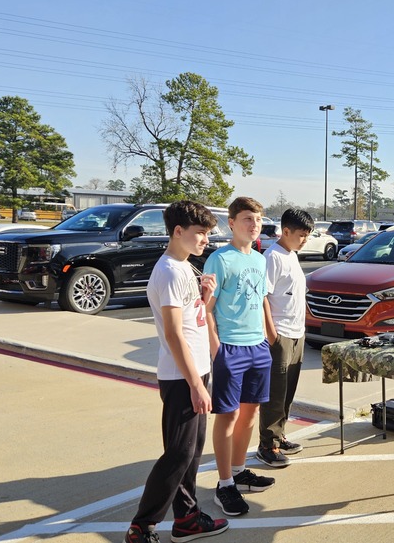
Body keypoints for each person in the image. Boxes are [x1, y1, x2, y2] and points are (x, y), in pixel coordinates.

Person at [124, 200, 228, 543]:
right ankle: (143, 526)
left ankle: (186, 519)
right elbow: (173, 333)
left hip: (196, 372)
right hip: (181, 377)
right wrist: (196, 384)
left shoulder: (186, 267)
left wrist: (207, 297)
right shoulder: (168, 270)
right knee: (178, 454)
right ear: (178, 232)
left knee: (191, 452)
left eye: (208, 234)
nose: (206, 241)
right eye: (200, 234)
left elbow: (194, 320)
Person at [204, 197, 276, 517]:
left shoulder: (260, 259)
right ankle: (224, 485)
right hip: (230, 347)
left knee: (250, 413)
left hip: (258, 346)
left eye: (258, 218)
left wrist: (270, 334)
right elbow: (205, 308)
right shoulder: (220, 259)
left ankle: (238, 471)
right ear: (231, 223)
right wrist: (216, 348)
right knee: (228, 416)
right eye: (248, 218)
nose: (254, 224)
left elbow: (260, 300)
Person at [256, 208, 314, 467]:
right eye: (301, 235)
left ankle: (279, 436)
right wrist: (272, 334)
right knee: (275, 394)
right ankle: (267, 445)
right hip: (279, 335)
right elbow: (263, 297)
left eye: (308, 235)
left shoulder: (291, 255)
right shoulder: (273, 257)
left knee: (287, 392)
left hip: (296, 334)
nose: (305, 240)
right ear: (286, 231)